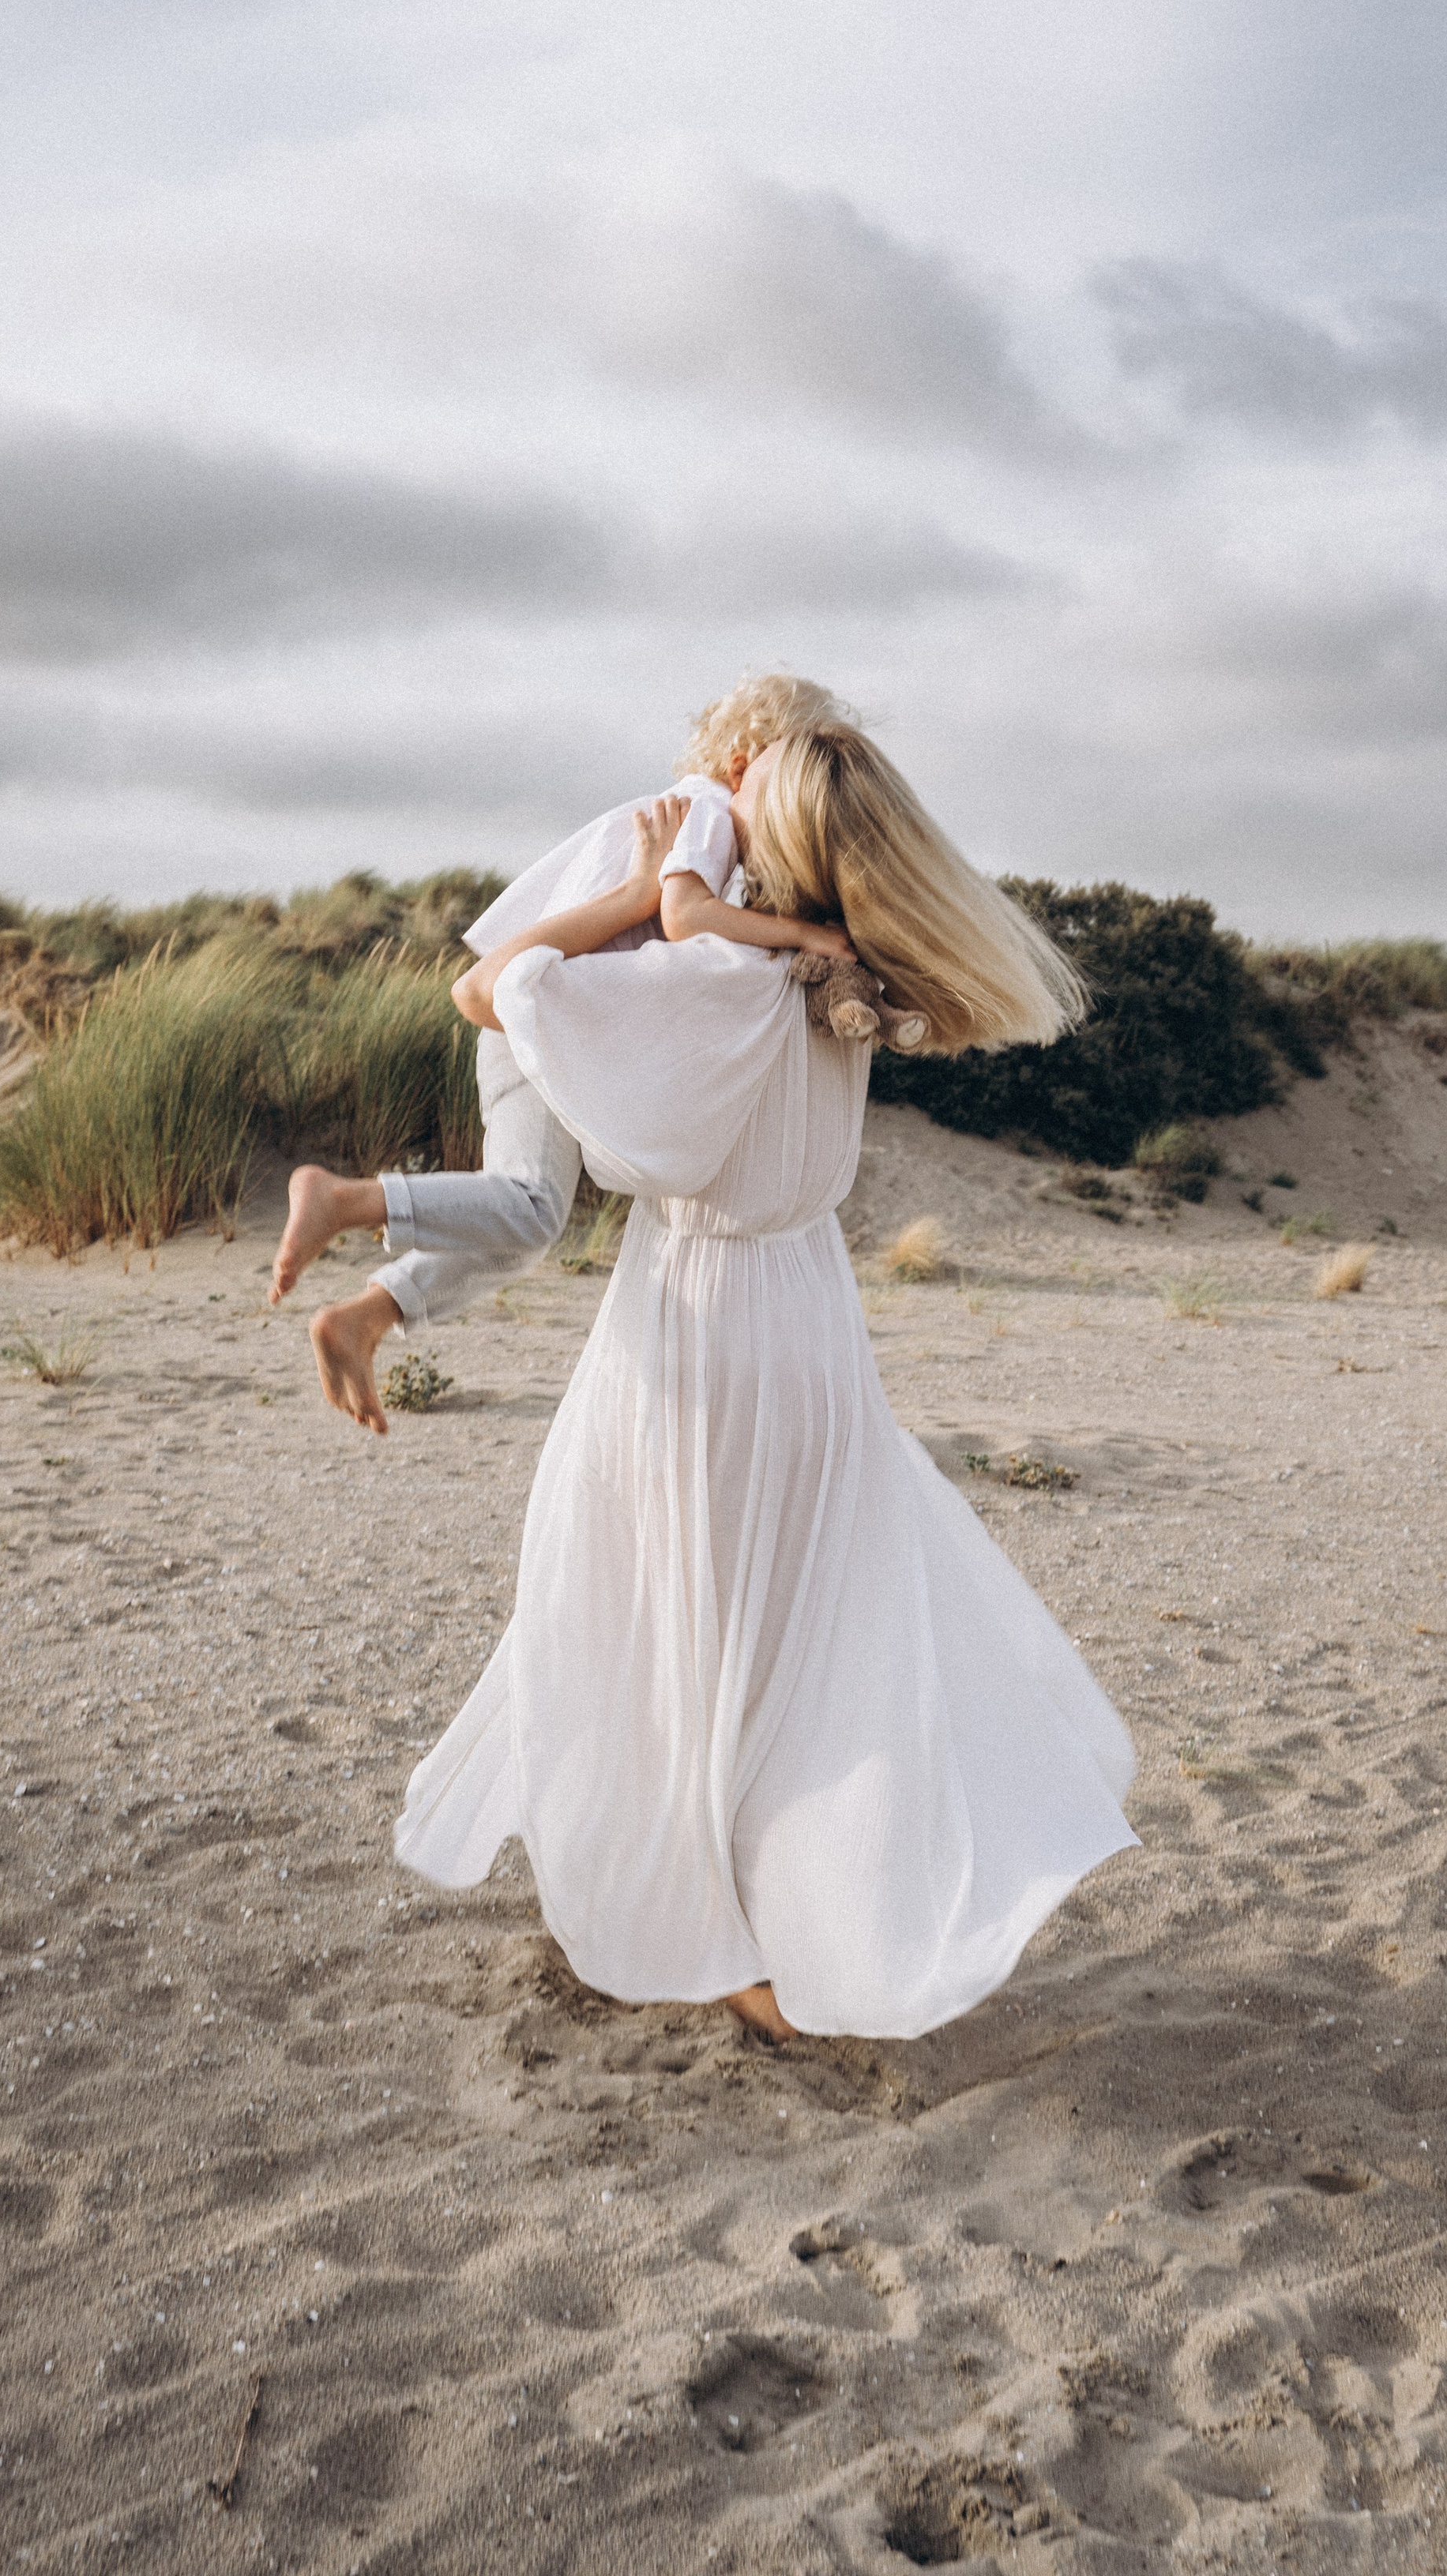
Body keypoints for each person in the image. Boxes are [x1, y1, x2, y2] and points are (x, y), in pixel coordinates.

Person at [394, 718, 1136, 2044]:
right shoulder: (861, 975)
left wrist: (639, 889)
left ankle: (726, 1940)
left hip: (700, 1323)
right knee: (809, 1626)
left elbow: (490, 989)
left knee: (679, 1628)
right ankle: (806, 1913)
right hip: (817, 1318)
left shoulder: (721, 982)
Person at [267, 673, 854, 1432]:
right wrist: (805, 936)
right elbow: (682, 919)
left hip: (547, 1021)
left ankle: (364, 1317)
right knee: (531, 1206)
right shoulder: (705, 810)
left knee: (518, 1228)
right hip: (535, 1022)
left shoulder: (687, 815)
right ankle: (347, 1199)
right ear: (746, 764)